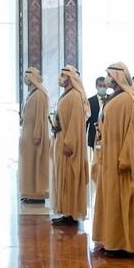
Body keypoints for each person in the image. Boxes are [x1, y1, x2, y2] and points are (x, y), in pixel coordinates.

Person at [92, 63, 134, 257]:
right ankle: (111, 240)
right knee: (111, 200)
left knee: (122, 200)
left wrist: (125, 158)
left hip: (121, 162)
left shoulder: (128, 100)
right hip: (109, 158)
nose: (106, 79)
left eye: (109, 75)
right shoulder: (115, 98)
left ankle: (124, 244)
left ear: (117, 77)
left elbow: (133, 133)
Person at [52, 65, 89, 226]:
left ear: (69, 78)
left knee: (70, 178)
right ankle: (66, 211)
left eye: (62, 75)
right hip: (61, 140)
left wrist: (69, 143)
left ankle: (71, 213)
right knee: (63, 178)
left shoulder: (74, 96)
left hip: (68, 145)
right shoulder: (67, 95)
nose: (60, 77)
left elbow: (75, 122)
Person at [18, 67, 50, 204]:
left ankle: (38, 194)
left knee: (35, 164)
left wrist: (37, 134)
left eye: (27, 75)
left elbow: (40, 117)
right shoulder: (32, 93)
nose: (25, 78)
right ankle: (29, 192)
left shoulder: (40, 94)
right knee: (28, 164)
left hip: (34, 136)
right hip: (27, 134)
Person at [86, 76, 108, 151]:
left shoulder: (112, 99)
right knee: (96, 161)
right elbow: (86, 120)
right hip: (94, 136)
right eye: (100, 86)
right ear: (96, 86)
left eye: (104, 85)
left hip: (109, 135)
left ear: (107, 86)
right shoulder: (89, 101)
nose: (102, 87)